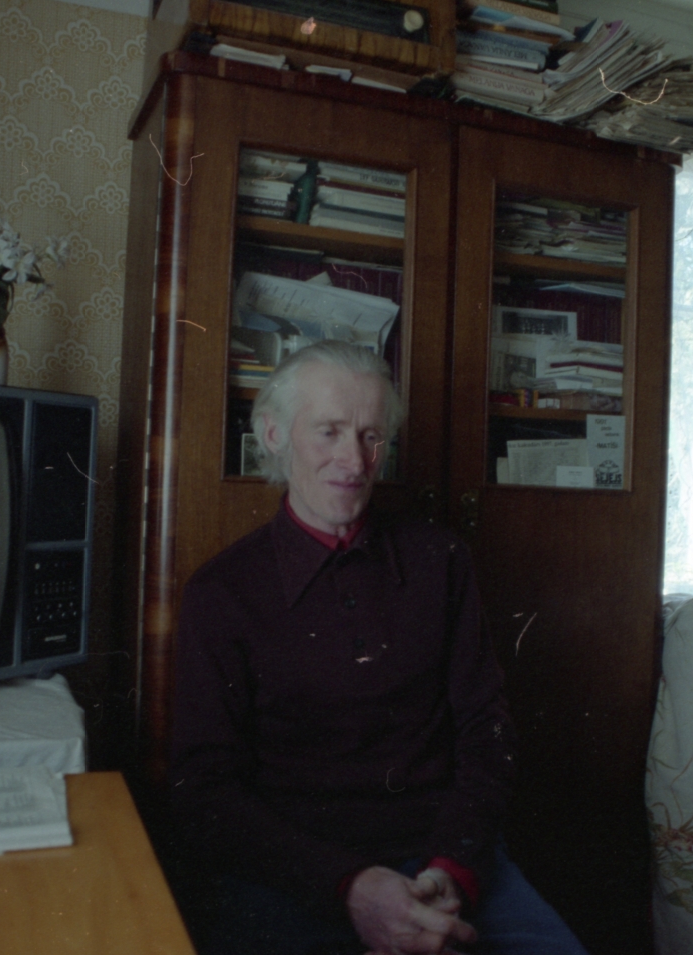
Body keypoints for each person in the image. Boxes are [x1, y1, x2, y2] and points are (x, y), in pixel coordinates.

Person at [169, 341, 589, 955]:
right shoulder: (222, 591)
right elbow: (203, 793)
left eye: (371, 436)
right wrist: (350, 886)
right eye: (329, 432)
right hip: (293, 876)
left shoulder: (440, 560)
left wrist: (450, 870)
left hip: (442, 862)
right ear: (274, 434)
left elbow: (487, 733)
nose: (354, 460)